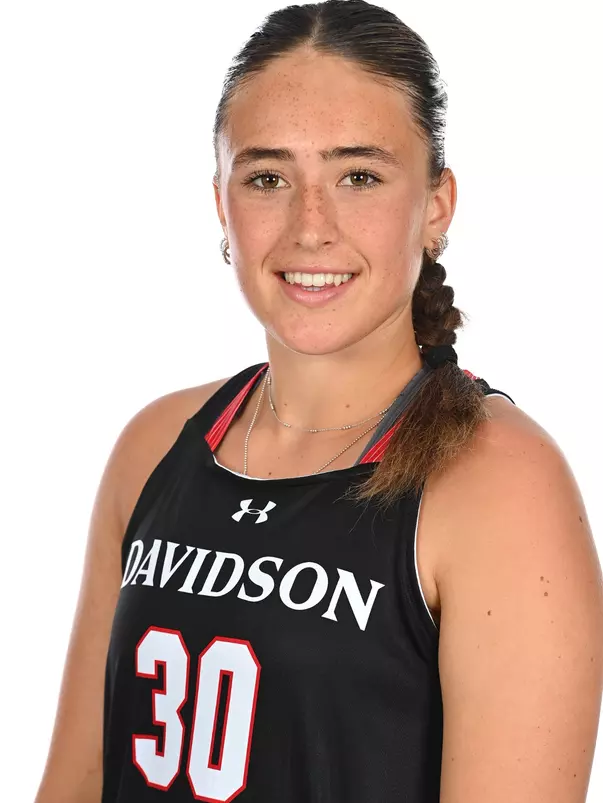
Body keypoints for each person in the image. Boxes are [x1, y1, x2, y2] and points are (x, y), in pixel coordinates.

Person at [34, 1, 603, 802]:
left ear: (435, 204)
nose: (310, 227)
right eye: (268, 177)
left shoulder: (498, 482)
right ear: (221, 203)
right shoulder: (156, 444)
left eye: (358, 176)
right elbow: (73, 783)